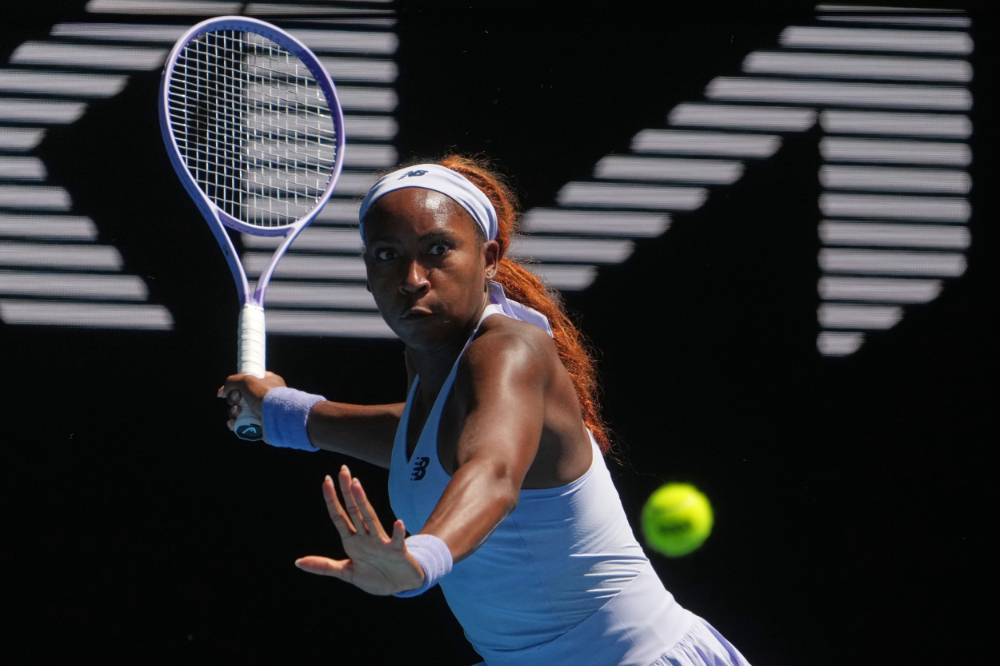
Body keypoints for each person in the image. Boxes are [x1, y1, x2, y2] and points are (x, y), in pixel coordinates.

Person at [221, 156, 750, 666]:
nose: (412, 277)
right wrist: (286, 413)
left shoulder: (511, 349)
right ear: (367, 273)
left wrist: (422, 557)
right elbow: (423, 443)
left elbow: (492, 470)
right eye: (387, 254)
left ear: (489, 258)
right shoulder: (436, 371)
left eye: (438, 249)